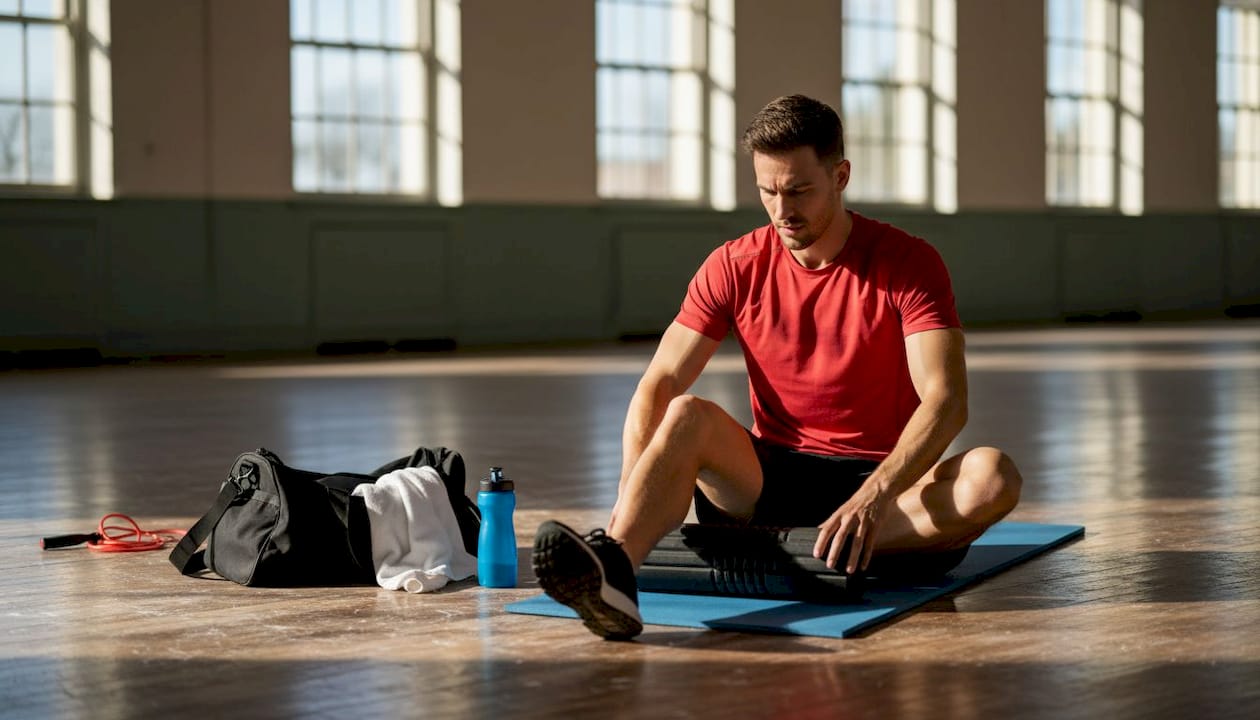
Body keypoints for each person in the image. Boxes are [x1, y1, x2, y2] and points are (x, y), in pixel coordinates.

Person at [531, 94, 1023, 640]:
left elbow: (946, 400)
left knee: (991, 477)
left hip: (886, 495)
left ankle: (807, 542)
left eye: (798, 190)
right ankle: (616, 568)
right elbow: (660, 382)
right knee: (687, 412)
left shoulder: (909, 263)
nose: (782, 210)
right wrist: (629, 504)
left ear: (841, 176)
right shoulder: (734, 263)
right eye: (767, 191)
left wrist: (874, 497)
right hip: (770, 478)